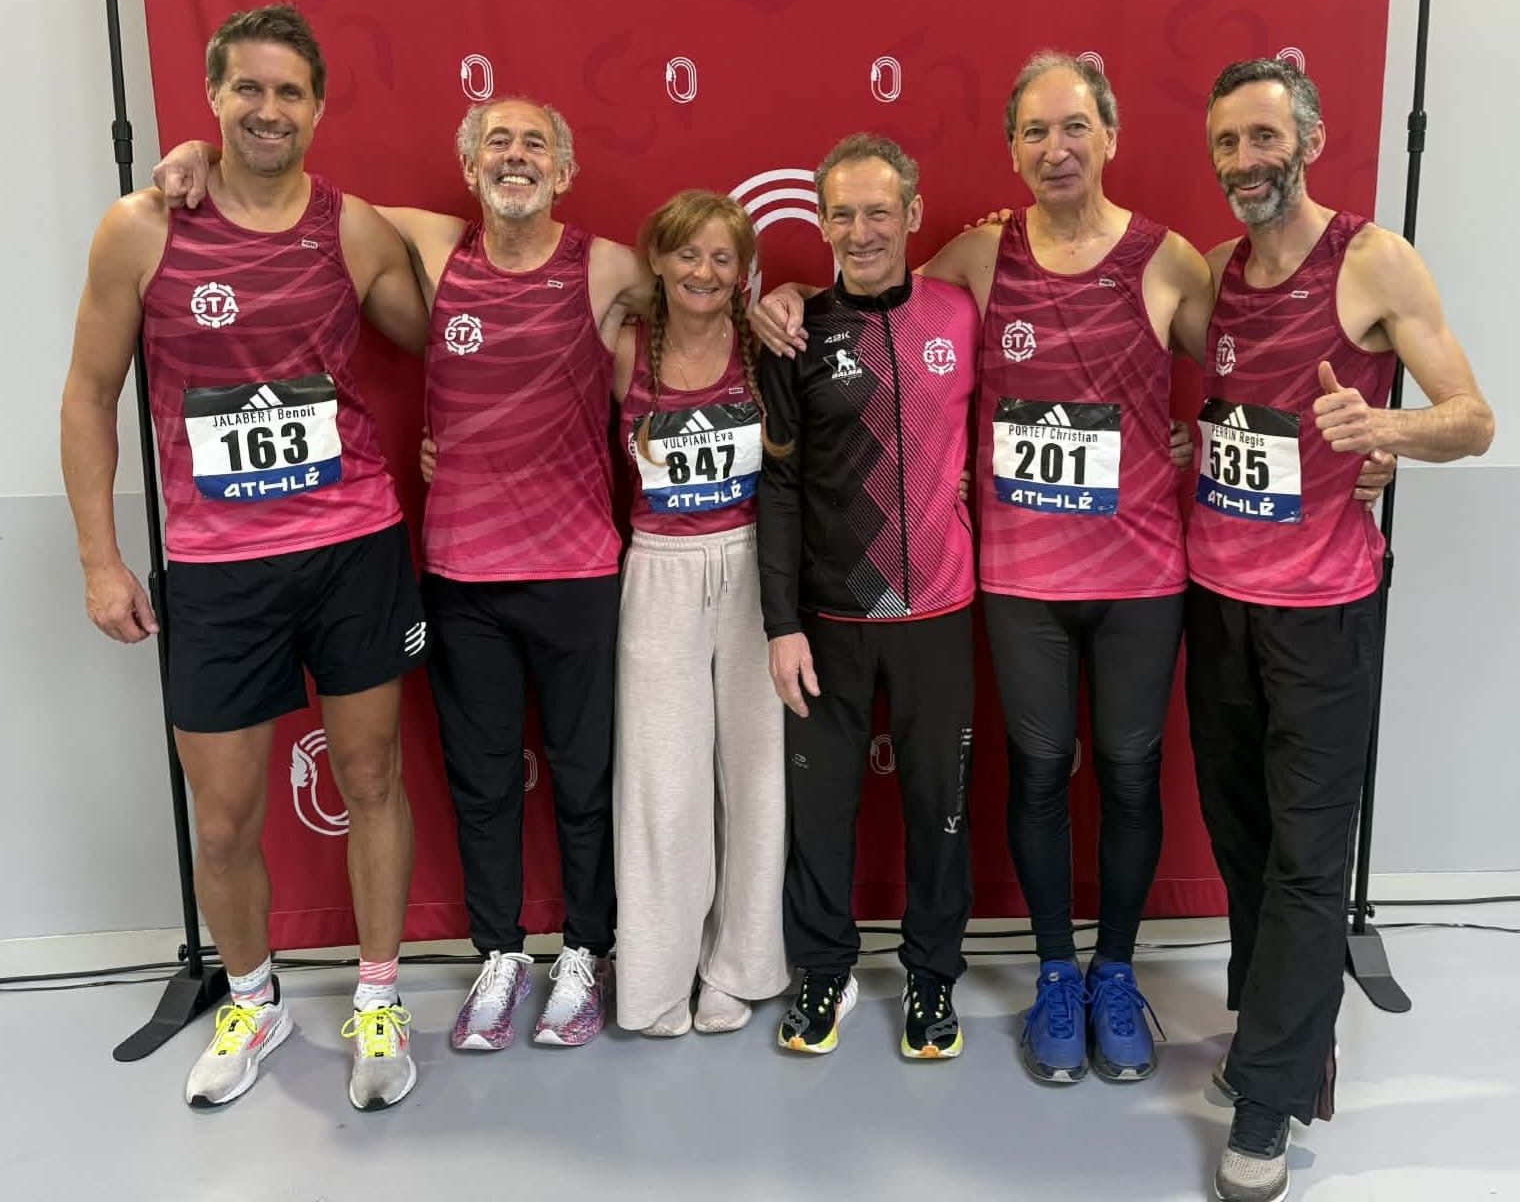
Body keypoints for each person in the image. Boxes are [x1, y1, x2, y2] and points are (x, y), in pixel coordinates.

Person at [754, 53, 1396, 1090]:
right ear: (1011, 149)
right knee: (1042, 771)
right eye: (1034, 131)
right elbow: (874, 295)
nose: (1055, 148)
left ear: (1110, 137)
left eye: (1074, 128)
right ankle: (1056, 972)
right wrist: (787, 296)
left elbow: (1258, 372)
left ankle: (1114, 971)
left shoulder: (1167, 257)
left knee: (1132, 774)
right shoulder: (980, 252)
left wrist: (1364, 446)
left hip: (1141, 575)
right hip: (1020, 579)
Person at [154, 94, 653, 1052]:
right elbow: (281, 192)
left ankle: (587, 950)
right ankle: (499, 954)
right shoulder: (431, 243)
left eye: (535, 144)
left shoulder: (606, 266)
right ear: (470, 168)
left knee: (586, 779)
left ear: (563, 171)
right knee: (481, 782)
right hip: (461, 573)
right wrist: (194, 156)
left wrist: (776, 300)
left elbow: (706, 300)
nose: (515, 157)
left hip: (577, 569)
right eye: (497, 142)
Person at [63, 4, 429, 1111]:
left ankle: (378, 997)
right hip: (219, 569)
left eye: (290, 93)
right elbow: (88, 394)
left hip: (353, 546)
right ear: (215, 96)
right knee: (222, 818)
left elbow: (449, 302)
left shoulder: (351, 227)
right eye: (249, 90)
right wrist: (100, 559)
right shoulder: (141, 229)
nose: (269, 110)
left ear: (319, 108)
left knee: (372, 778)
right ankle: (256, 999)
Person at [1189, 59, 1492, 1202]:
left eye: (1263, 137)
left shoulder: (1372, 259)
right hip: (1218, 599)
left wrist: (1386, 431)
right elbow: (1234, 419)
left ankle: (1267, 1096)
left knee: (1309, 858)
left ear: (1308, 139)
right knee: (1243, 841)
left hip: (1322, 613)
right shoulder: (1217, 271)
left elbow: (1472, 417)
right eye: (1227, 142)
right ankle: (1283, 1030)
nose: (1245, 160)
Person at [758, 133, 980, 1060]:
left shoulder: (961, 312)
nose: (860, 231)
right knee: (820, 816)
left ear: (912, 214)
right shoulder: (794, 330)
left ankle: (931, 976)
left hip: (940, 613)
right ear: (821, 221)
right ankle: (823, 969)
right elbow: (777, 486)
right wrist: (780, 624)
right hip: (830, 619)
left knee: (939, 810)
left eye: (878, 211)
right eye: (842, 214)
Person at [610, 190, 791, 1034]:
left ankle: (739, 966)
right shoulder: (622, 347)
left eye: (723, 258)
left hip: (754, 567)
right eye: (688, 253)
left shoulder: (762, 343)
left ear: (742, 272)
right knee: (661, 783)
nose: (705, 272)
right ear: (657, 258)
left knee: (756, 777)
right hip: (659, 569)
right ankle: (655, 977)